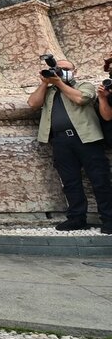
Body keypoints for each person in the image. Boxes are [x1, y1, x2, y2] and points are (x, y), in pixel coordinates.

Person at [28, 57, 112, 234]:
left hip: (87, 139)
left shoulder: (84, 85)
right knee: (70, 182)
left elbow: (81, 99)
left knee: (100, 180)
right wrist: (45, 83)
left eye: (65, 68)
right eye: (58, 69)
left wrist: (59, 83)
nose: (60, 71)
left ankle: (109, 219)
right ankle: (76, 218)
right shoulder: (50, 90)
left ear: (75, 71)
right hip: (60, 141)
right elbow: (33, 104)